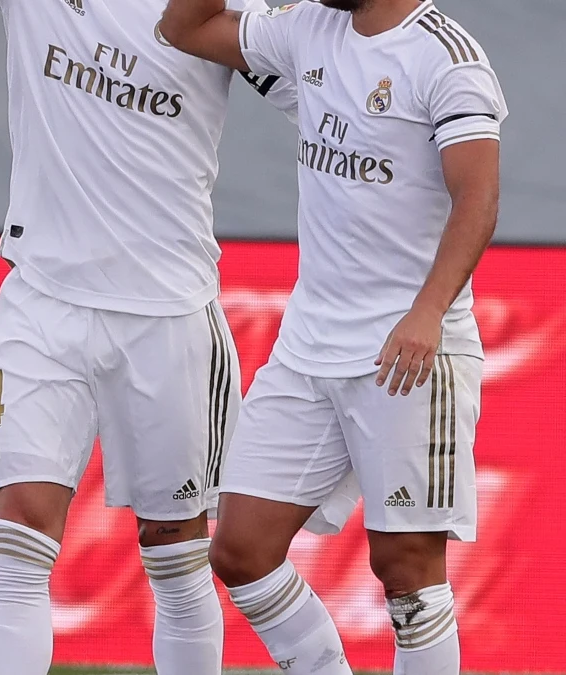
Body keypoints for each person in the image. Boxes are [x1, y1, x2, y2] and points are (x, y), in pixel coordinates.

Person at [159, 0, 506, 673]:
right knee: (240, 549)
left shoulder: (445, 57)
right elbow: (185, 27)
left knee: (407, 569)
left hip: (409, 353)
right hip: (308, 346)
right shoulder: (307, 28)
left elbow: (479, 198)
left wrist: (428, 309)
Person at [0, 1, 297, 673]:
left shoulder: (225, 7)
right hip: (42, 296)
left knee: (175, 552)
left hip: (169, 310)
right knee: (20, 535)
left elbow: (325, 94)